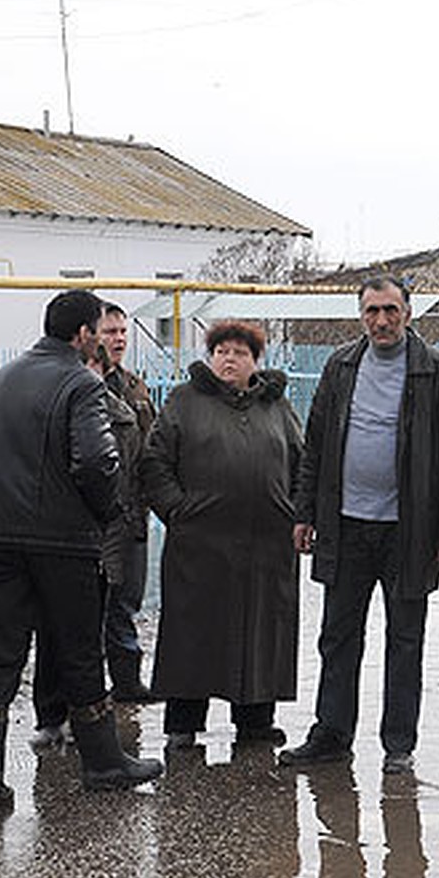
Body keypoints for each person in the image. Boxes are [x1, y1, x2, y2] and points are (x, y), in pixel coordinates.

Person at [0, 290, 162, 814]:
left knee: (1, 655)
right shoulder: (80, 383)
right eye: (98, 329)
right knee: (79, 648)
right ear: (84, 334)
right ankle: (103, 762)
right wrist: (104, 510)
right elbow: (95, 463)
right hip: (63, 542)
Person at [279, 275, 439, 775]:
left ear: (408, 313)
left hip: (409, 532)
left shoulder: (438, 374)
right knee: (338, 636)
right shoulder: (341, 366)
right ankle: (331, 734)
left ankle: (398, 745)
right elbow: (315, 446)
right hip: (345, 527)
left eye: (390, 310)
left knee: (405, 640)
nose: (381, 321)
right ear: (360, 316)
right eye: (372, 312)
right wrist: (305, 512)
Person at [139, 320, 303, 747]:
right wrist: (177, 510)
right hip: (201, 544)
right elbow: (154, 463)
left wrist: (296, 513)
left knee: (262, 630)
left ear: (255, 361)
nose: (230, 359)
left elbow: (302, 463)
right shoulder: (185, 401)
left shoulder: (277, 407)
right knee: (194, 632)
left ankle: (255, 721)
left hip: (267, 545)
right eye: (222, 352)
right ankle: (183, 724)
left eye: (240, 353)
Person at [28, 339, 151, 749]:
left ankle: (88, 719)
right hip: (59, 534)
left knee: (95, 625)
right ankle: (53, 715)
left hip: (106, 532)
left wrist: (128, 518)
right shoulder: (49, 405)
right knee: (56, 628)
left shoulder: (122, 411)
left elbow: (131, 471)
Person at [97, 302, 158, 703]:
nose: (118, 339)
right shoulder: (79, 384)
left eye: (122, 332)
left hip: (132, 512)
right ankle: (83, 692)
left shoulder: (135, 387)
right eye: (110, 332)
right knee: (89, 606)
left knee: (126, 600)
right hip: (93, 517)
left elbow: (152, 447)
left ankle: (126, 681)